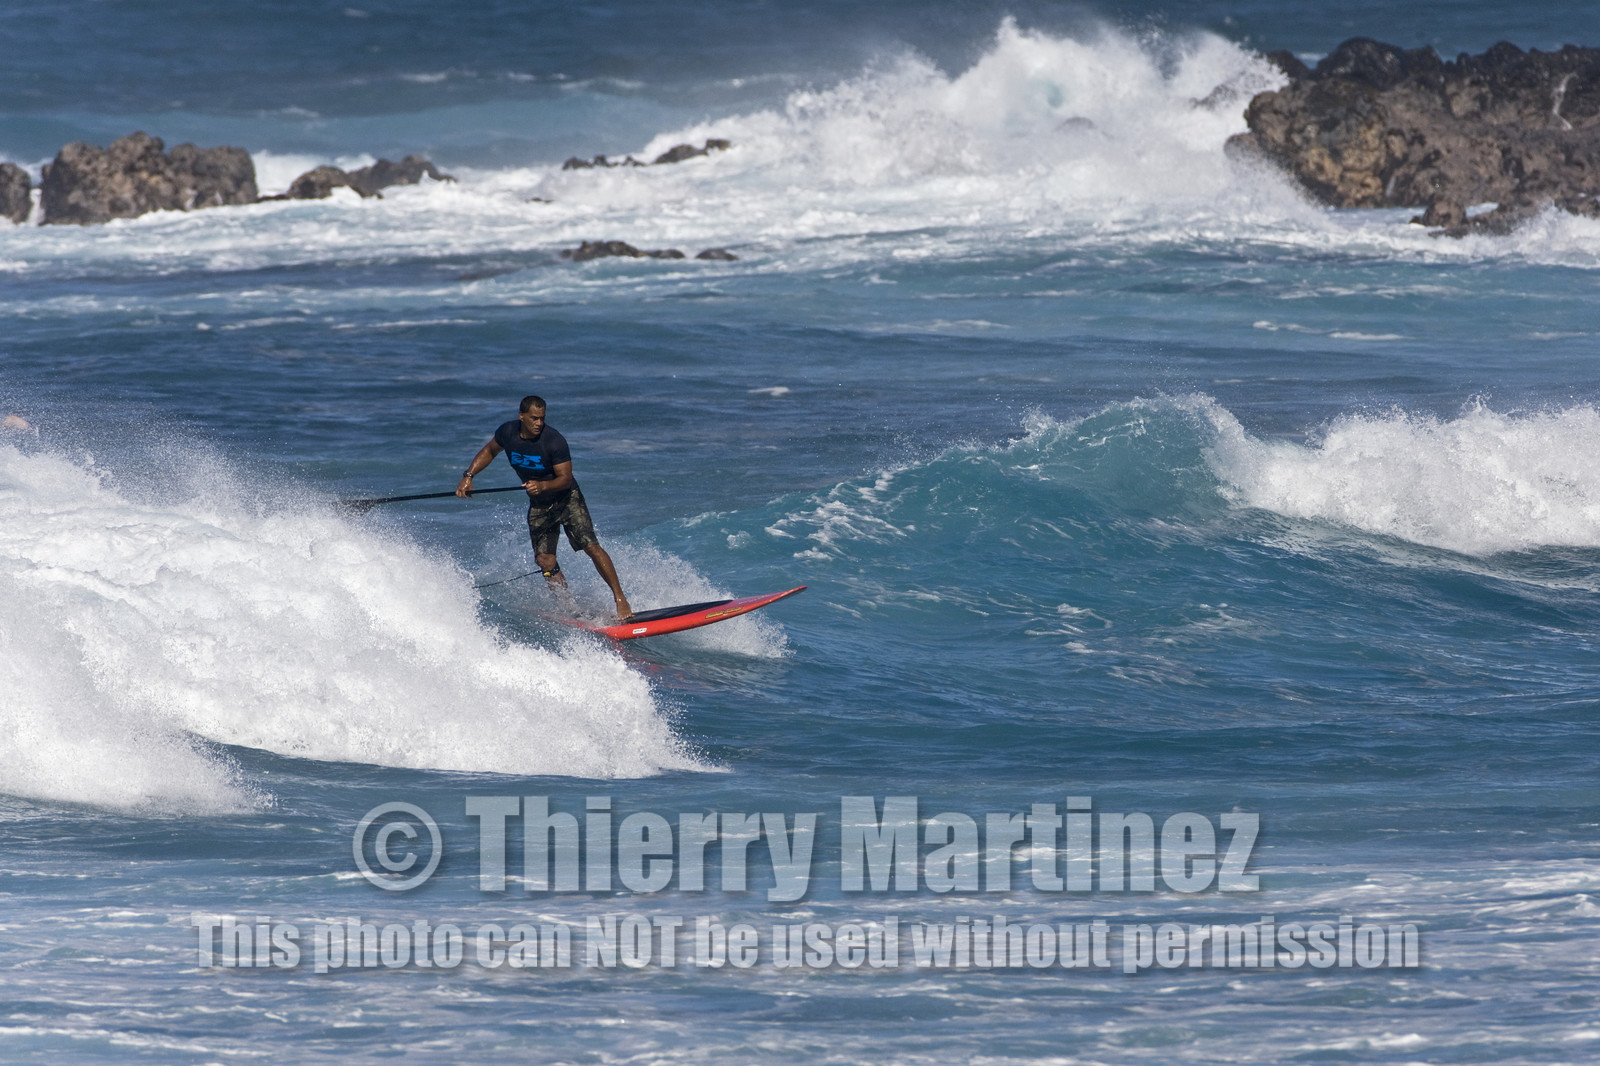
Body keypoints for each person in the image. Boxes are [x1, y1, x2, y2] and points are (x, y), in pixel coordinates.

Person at [457, 395, 633, 621]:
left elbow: (566, 479)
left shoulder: (554, 441)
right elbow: (490, 451)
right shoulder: (507, 433)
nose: (539, 423)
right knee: (545, 560)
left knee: (591, 546)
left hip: (567, 499)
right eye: (534, 418)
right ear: (521, 416)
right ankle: (570, 608)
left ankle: (620, 598)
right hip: (540, 505)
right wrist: (469, 476)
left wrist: (542, 485)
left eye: (542, 418)